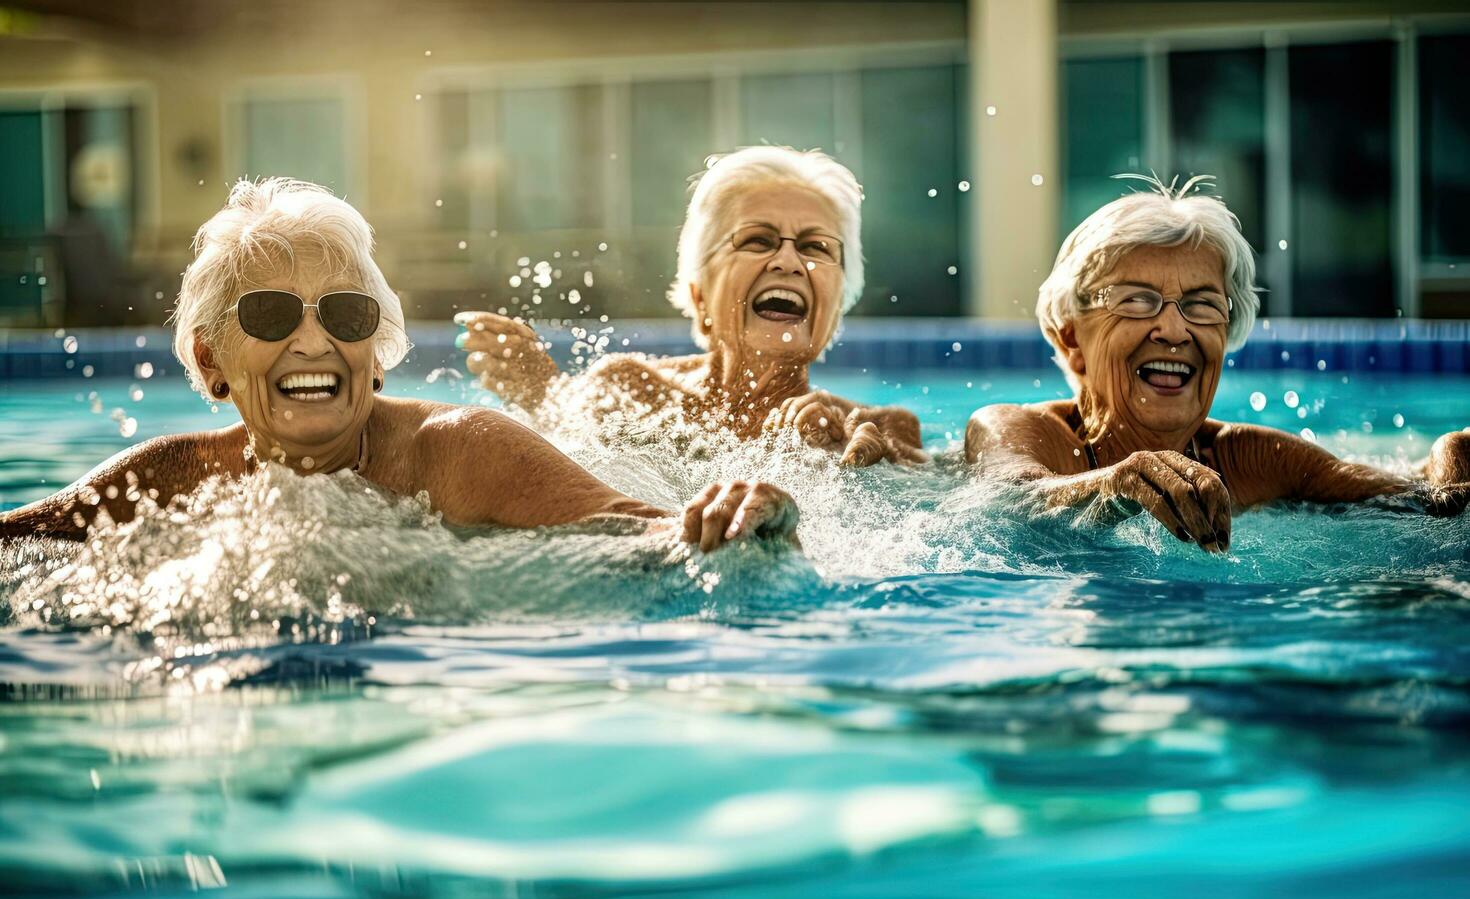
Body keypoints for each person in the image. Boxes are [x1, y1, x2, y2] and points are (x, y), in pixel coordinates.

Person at [0, 178, 799, 554]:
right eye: (271, 314)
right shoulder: (172, 481)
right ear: (212, 362)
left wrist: (743, 520)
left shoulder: (461, 453)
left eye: (346, 315)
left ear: (375, 356)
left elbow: (646, 535)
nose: (312, 341)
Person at [964, 176, 1469, 551]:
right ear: (1072, 336)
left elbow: (1424, 503)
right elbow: (1007, 502)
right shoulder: (1019, 430)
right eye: (1138, 300)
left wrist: (1456, 452)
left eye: (1202, 304)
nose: (1175, 330)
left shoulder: (1255, 461)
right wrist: (1115, 484)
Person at [457, 146, 925, 467]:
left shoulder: (878, 431)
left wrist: (872, 471)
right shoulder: (628, 391)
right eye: (757, 240)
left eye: (817, 247)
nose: (789, 261)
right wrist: (546, 396)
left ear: (836, 306)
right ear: (699, 295)